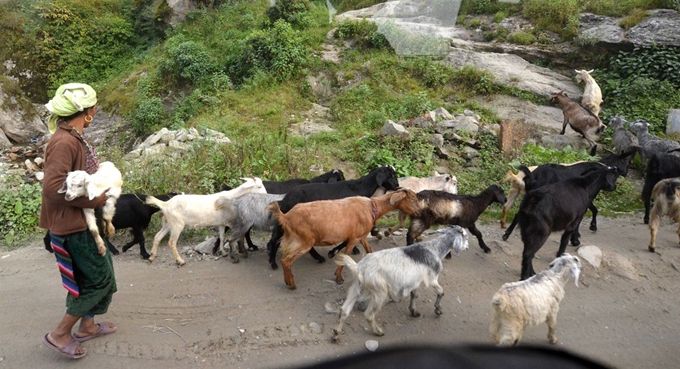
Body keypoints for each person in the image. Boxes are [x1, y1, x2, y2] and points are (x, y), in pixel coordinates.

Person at [39, 83, 118, 359]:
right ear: (87, 112)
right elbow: (52, 187)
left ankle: (87, 325)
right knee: (99, 281)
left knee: (98, 273)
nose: (96, 110)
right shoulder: (64, 141)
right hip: (72, 227)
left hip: (83, 223)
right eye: (94, 106)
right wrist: (92, 202)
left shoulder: (73, 136)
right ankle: (60, 334)